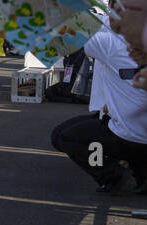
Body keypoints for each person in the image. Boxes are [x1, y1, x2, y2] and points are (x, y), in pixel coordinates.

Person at [50, 20, 147, 193]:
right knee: (61, 133)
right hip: (137, 125)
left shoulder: (112, 42)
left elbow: (65, 36)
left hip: (128, 132)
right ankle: (141, 173)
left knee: (65, 137)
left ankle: (113, 175)